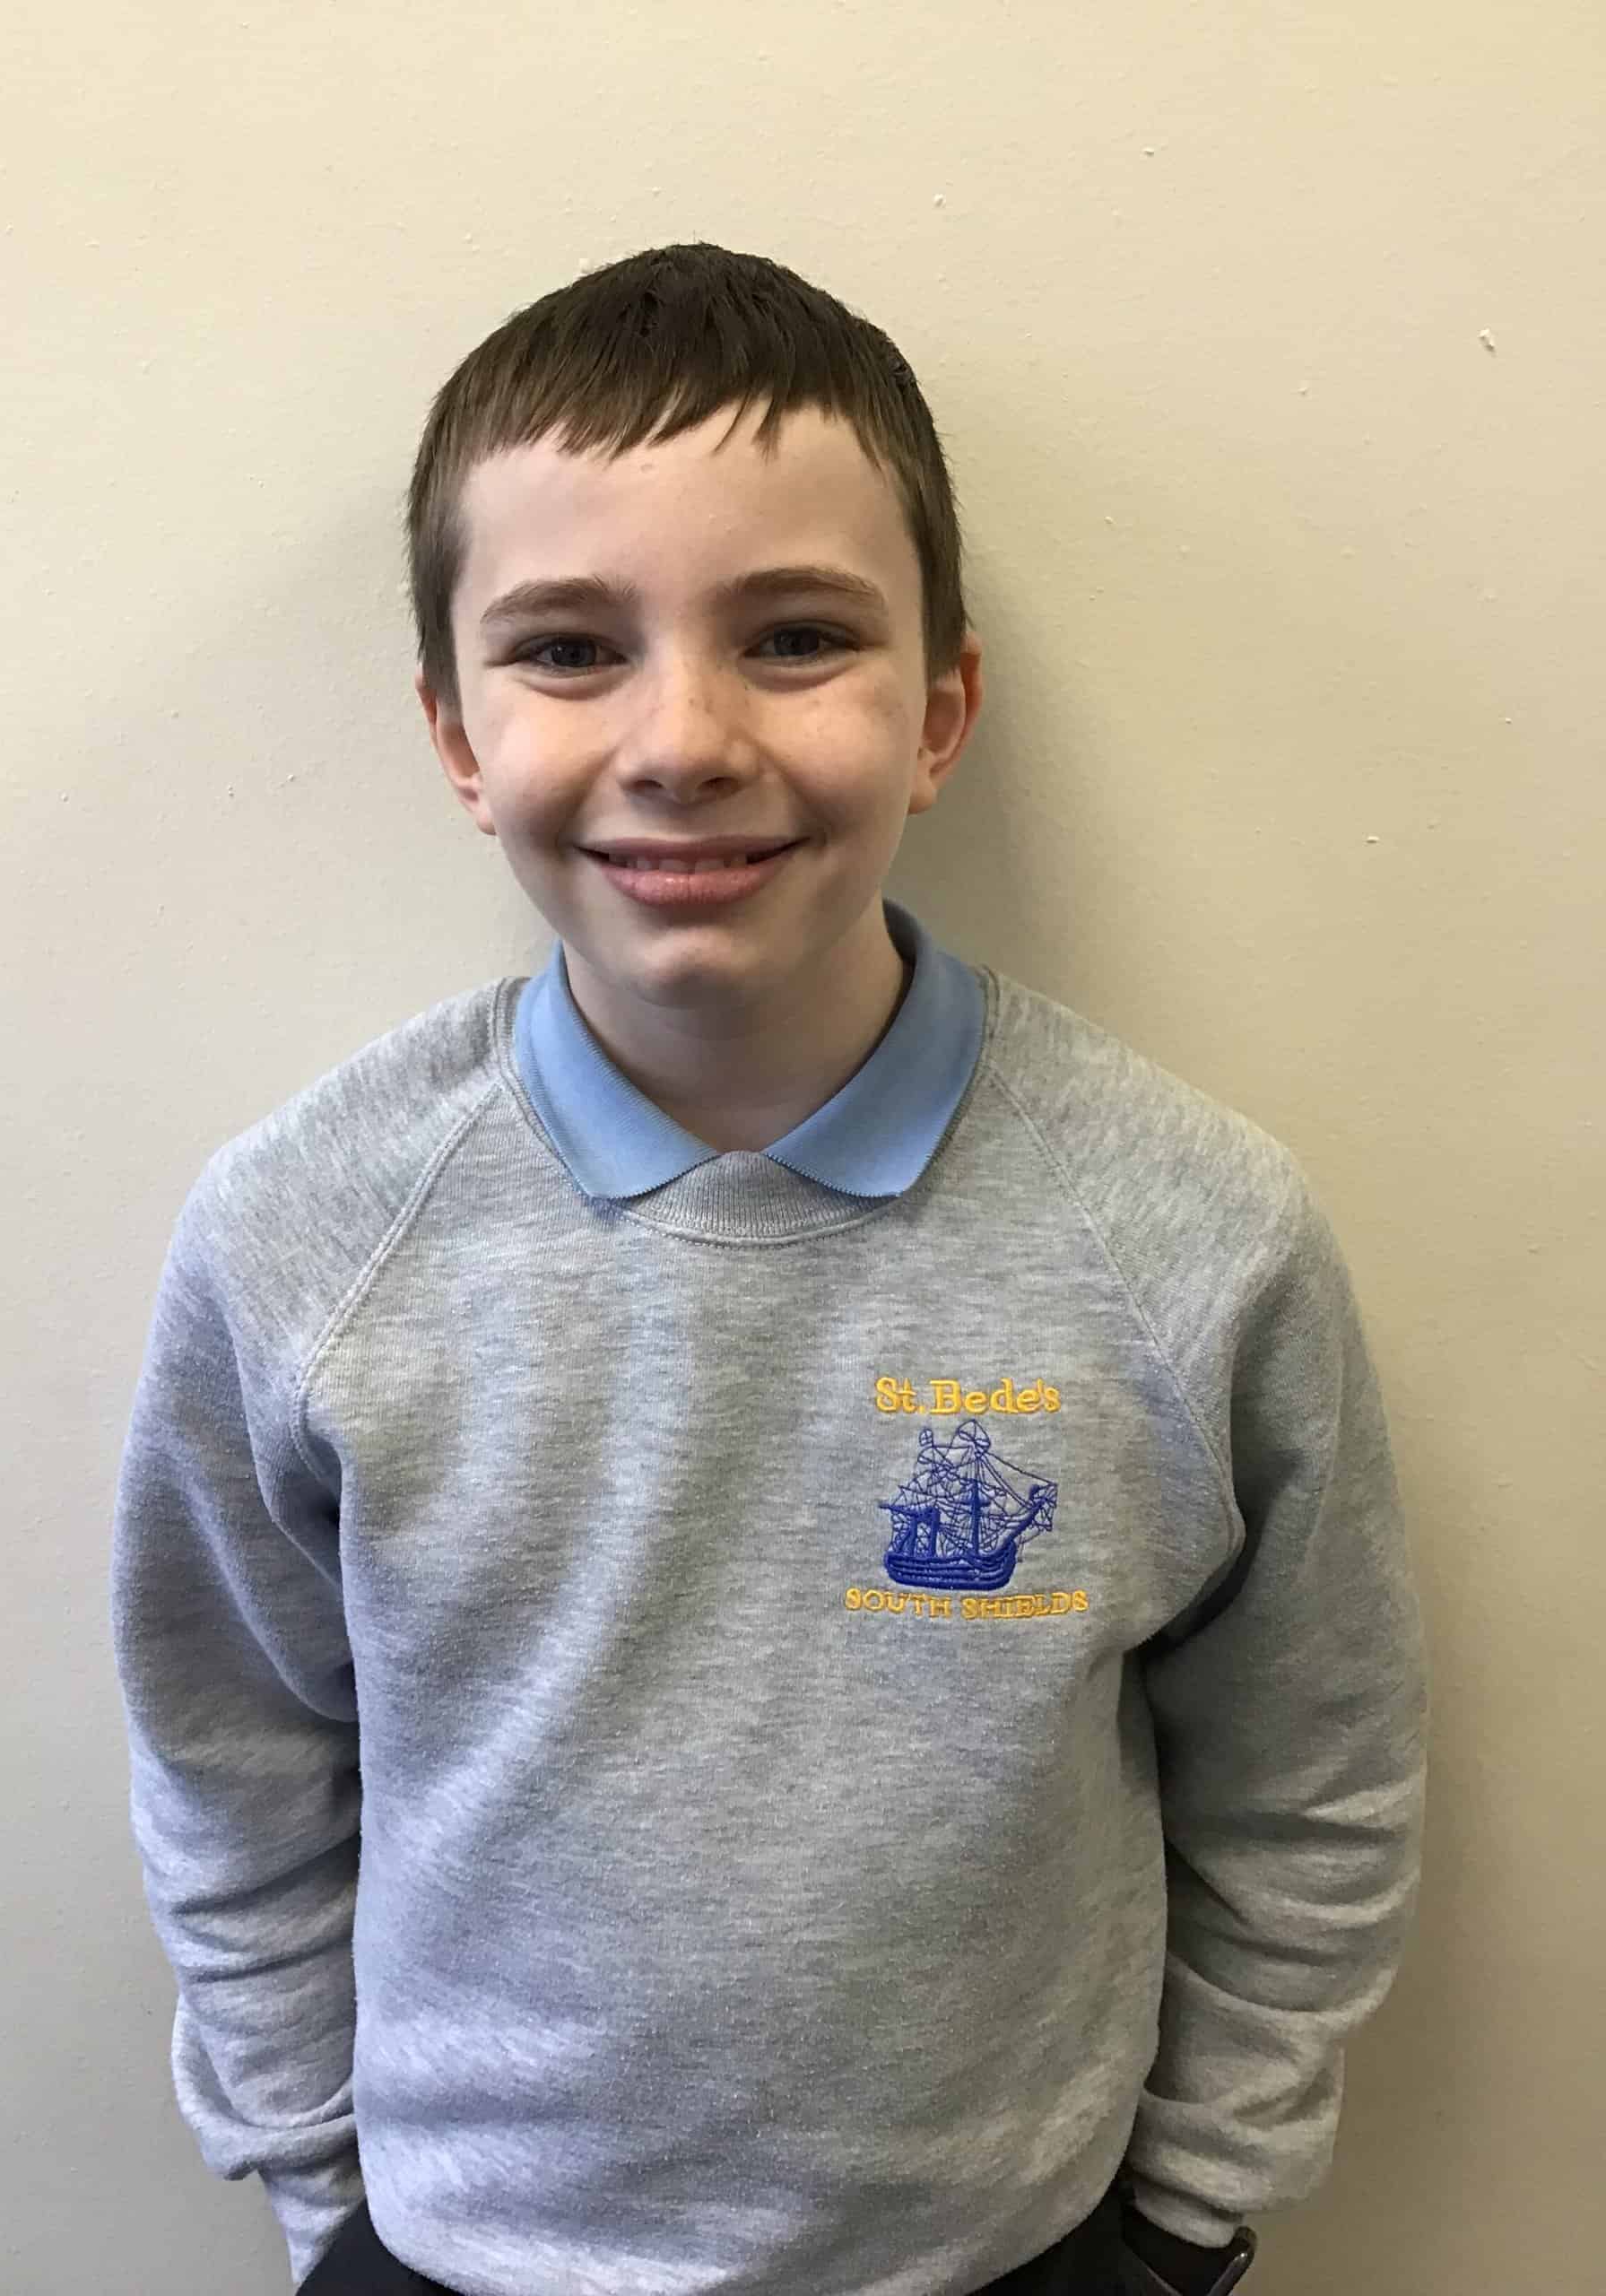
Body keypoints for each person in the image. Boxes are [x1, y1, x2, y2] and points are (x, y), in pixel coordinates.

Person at [110, 243, 1427, 2296]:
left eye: (797, 636)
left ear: (942, 711)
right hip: (459, 2251)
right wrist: (319, 2189)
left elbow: (1313, 1774)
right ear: (456, 734)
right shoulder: (303, 1234)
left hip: (1022, 2250)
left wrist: (1185, 2216)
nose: (685, 737)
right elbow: (230, 1757)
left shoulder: (1191, 1235)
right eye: (569, 647)